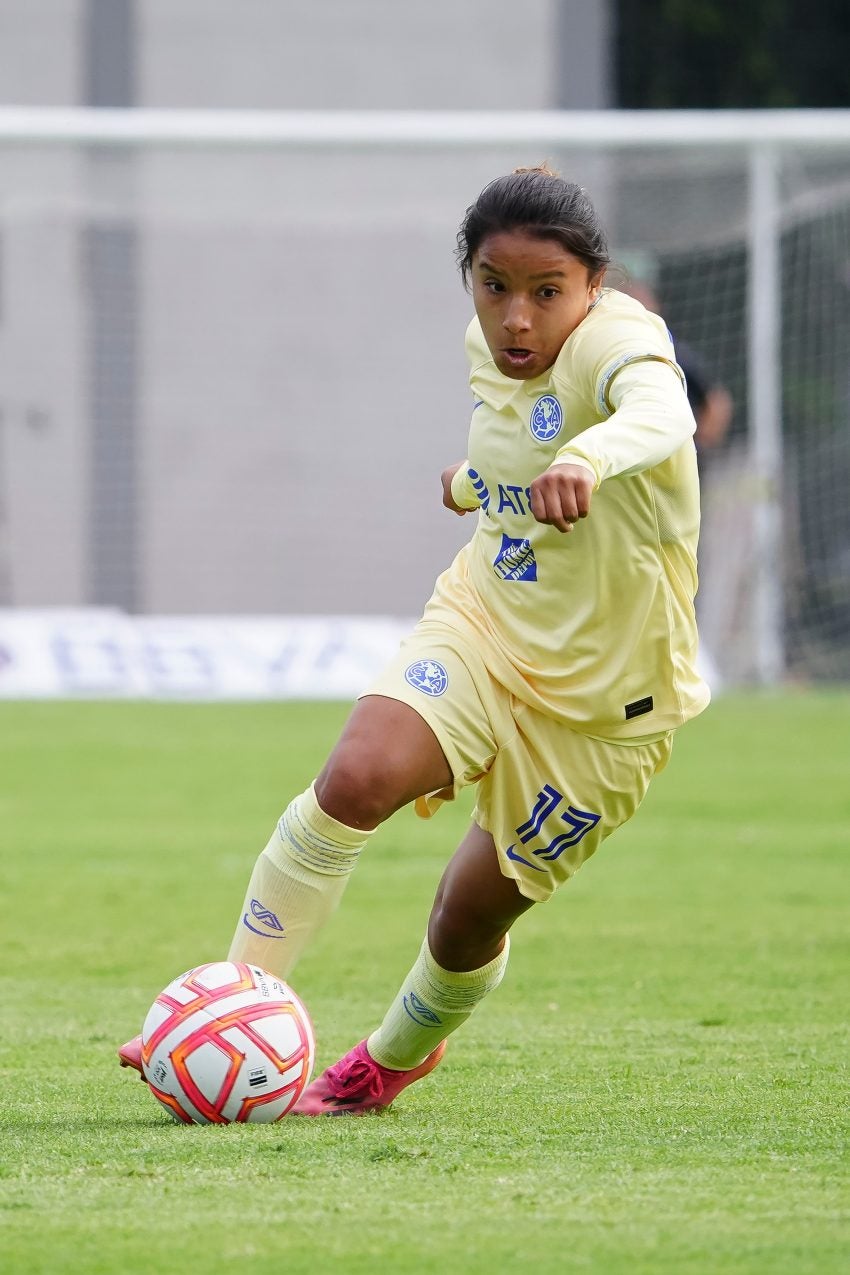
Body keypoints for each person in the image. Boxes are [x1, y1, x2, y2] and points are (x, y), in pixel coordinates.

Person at [119, 166, 710, 1114]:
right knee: (353, 780)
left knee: (468, 914)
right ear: (470, 279)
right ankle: (224, 1008)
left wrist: (586, 459)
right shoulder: (486, 346)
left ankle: (390, 1058)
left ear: (594, 285)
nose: (517, 318)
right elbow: (508, 445)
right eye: (494, 285)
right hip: (483, 625)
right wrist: (477, 484)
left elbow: (661, 414)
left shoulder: (621, 338)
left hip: (609, 710)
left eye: (545, 293)